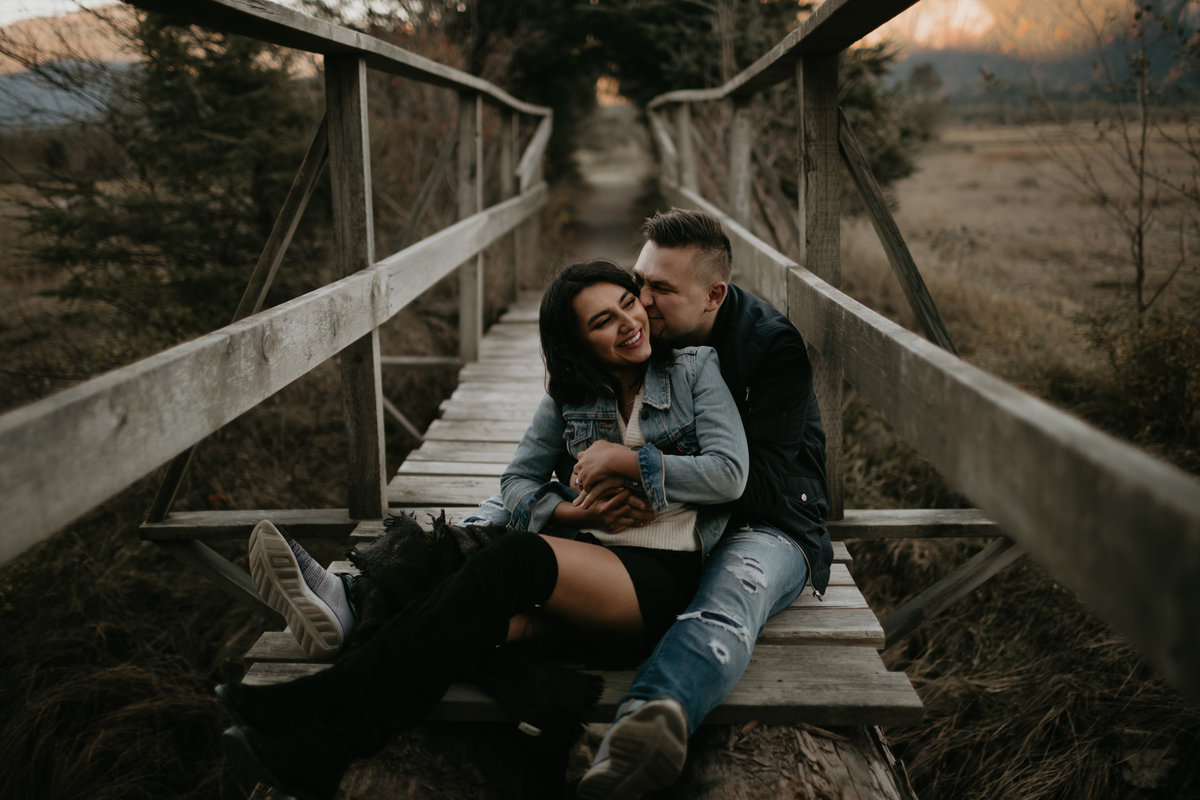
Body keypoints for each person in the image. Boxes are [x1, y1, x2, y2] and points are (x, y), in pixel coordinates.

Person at [217, 259, 750, 800]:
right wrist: (574, 515)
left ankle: (319, 688)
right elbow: (516, 480)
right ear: (577, 343)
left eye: (628, 304)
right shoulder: (570, 393)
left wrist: (628, 461)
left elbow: (729, 475)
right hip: (586, 559)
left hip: (657, 579)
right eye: (602, 321)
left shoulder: (693, 369)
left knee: (508, 558)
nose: (627, 323)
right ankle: (324, 751)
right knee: (457, 618)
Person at [575, 208, 833, 800]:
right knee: (529, 544)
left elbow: (758, 485)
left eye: (660, 288)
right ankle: (365, 593)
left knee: (729, 593)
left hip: (768, 520)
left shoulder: (771, 347)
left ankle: (649, 722)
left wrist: (639, 476)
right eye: (639, 279)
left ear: (715, 294)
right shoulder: (638, 332)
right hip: (667, 514)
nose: (640, 298)